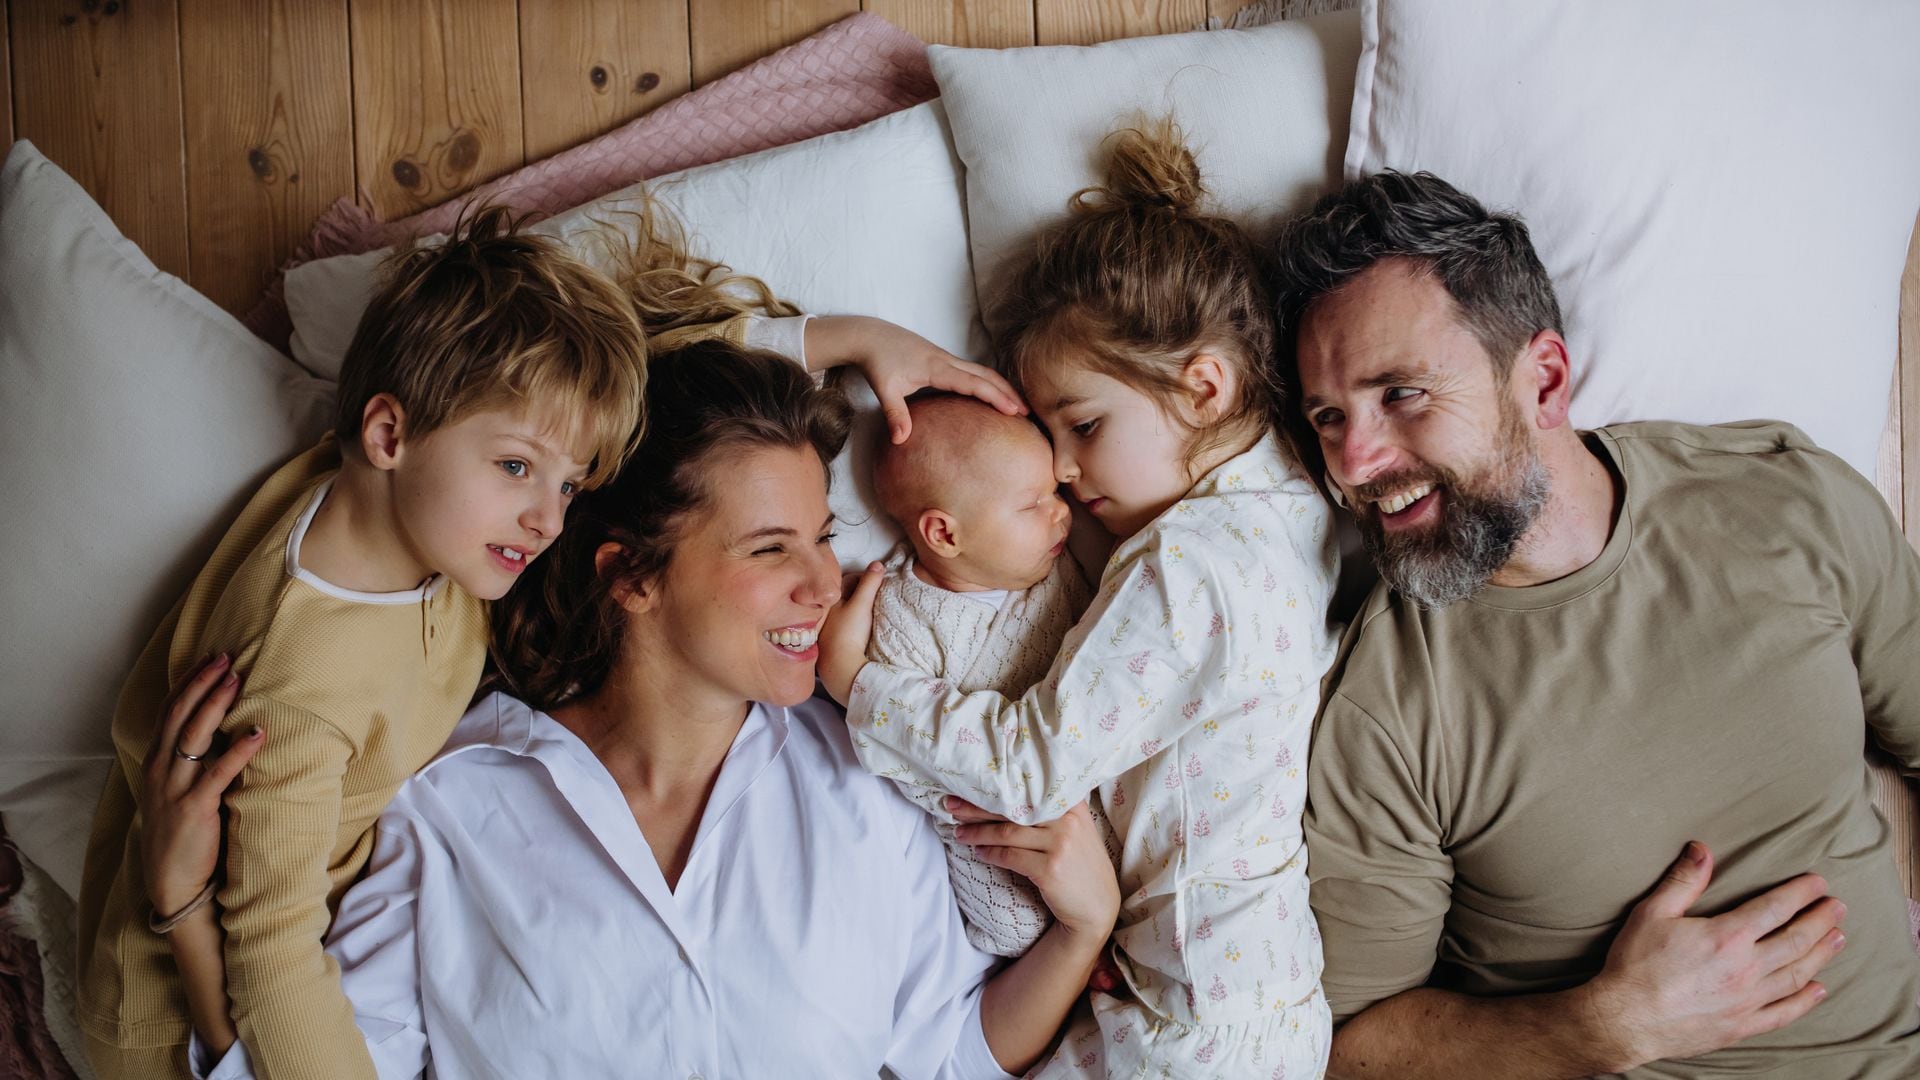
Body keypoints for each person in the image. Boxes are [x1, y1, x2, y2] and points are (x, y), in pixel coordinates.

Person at [141, 340, 1122, 1080]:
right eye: (770, 549)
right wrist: (190, 920)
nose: (828, 583)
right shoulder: (449, 807)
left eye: (823, 538)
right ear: (633, 575)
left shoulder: (866, 780)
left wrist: (1083, 931)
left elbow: (946, 1053)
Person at [1268, 169, 1920, 1077]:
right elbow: (1338, 1051)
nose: (1354, 463)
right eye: (1328, 417)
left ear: (1543, 380)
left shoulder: (1785, 499)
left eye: (1401, 394)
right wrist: (1604, 1028)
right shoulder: (1390, 703)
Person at [78, 207, 650, 1080]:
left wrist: (828, 336)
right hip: (180, 1019)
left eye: (568, 484)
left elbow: (651, 367)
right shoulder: (305, 691)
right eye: (517, 468)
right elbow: (270, 951)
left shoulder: (399, 501)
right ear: (389, 434)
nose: (547, 518)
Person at [822, 118, 1341, 1077]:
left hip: (1195, 1028)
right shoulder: (1295, 504)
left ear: (1205, 386)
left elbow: (1032, 771)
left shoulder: (1187, 566)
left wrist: (862, 686)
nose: (1061, 471)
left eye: (1085, 426)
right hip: (1254, 1000)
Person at [866, 393, 1094, 956]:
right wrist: (968, 795)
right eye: (1033, 503)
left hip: (1080, 782)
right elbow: (900, 744)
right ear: (944, 535)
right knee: (1017, 925)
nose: (1062, 510)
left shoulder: (1058, 565)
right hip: (986, 817)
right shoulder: (903, 617)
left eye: (1056, 493)